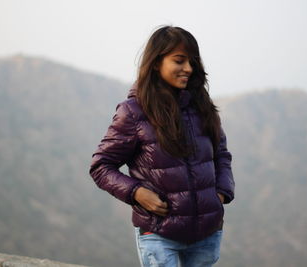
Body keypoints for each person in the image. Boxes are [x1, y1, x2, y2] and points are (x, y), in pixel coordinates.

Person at [89, 25, 235, 267]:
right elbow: (101, 166)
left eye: (192, 62)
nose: (188, 68)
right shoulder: (133, 112)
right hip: (159, 233)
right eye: (179, 60)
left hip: (207, 234)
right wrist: (137, 193)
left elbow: (221, 156)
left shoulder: (203, 107)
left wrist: (220, 194)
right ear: (157, 62)